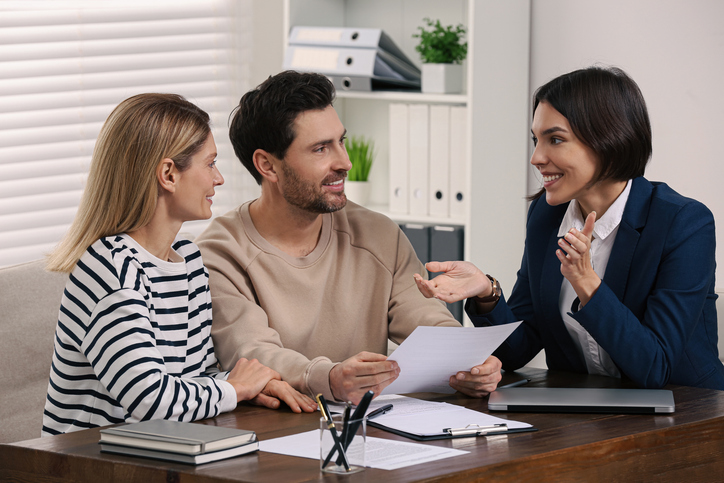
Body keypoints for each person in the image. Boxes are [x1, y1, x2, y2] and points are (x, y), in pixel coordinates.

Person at [195, 70, 502, 404]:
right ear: (267, 166)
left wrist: (467, 362)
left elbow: (425, 318)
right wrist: (329, 378)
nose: (345, 162)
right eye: (320, 149)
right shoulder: (219, 253)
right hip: (274, 432)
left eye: (340, 141)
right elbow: (251, 352)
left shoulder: (378, 233)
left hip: (370, 430)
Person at [416, 66, 724, 390]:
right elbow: (519, 346)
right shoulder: (546, 216)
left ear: (608, 139)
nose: (536, 157)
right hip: (587, 412)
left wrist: (586, 282)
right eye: (536, 140)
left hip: (689, 414)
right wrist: (487, 293)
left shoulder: (684, 223)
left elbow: (655, 367)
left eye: (556, 139)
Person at [42, 93, 316, 436]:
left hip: (161, 450)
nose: (219, 179)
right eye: (210, 163)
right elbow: (150, 399)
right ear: (169, 174)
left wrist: (248, 384)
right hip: (91, 463)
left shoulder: (188, 260)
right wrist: (233, 389)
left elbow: (192, 379)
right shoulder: (110, 269)